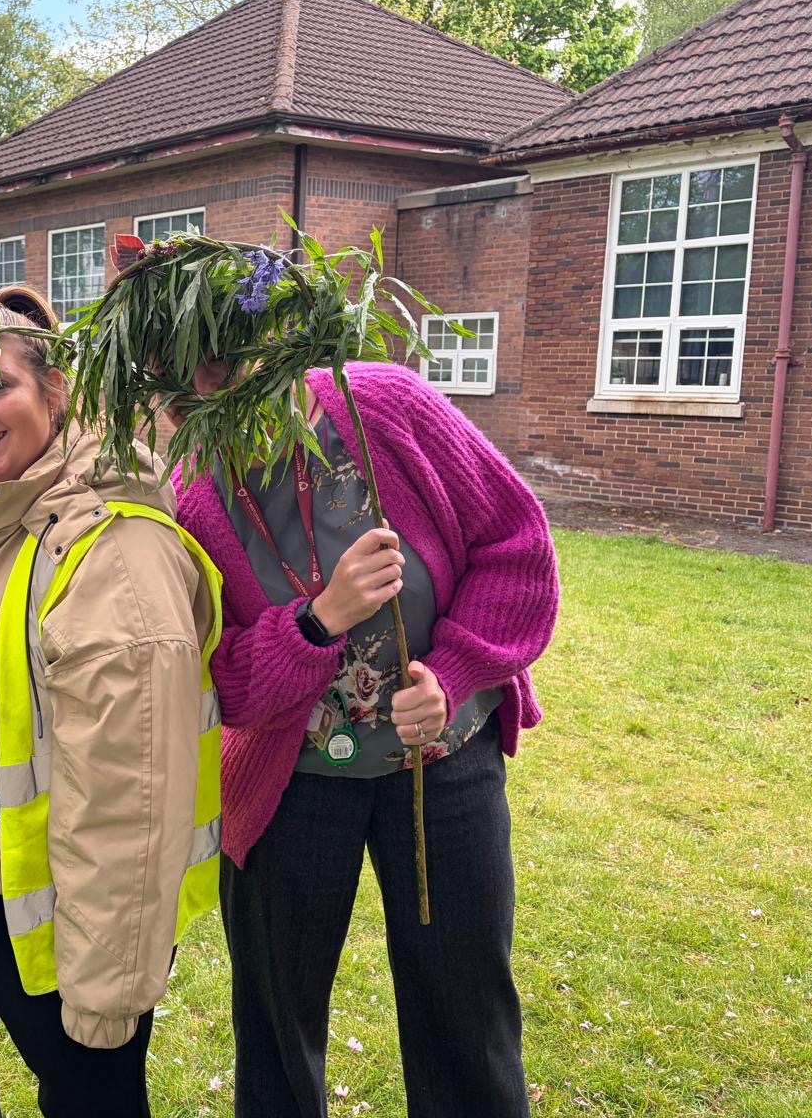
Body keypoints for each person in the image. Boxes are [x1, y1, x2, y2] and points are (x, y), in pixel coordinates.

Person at [0, 285, 223, 1118]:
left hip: (53, 911)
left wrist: (106, 994)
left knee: (87, 1099)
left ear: (56, 392)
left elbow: (131, 806)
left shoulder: (113, 552)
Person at [172, 360, 560, 1118]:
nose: (217, 388)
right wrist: (320, 619)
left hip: (441, 764)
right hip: (292, 780)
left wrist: (449, 674)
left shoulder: (381, 405)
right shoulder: (194, 495)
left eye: (237, 360)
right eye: (188, 378)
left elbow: (517, 547)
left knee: (465, 1010)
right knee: (278, 1019)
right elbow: (224, 682)